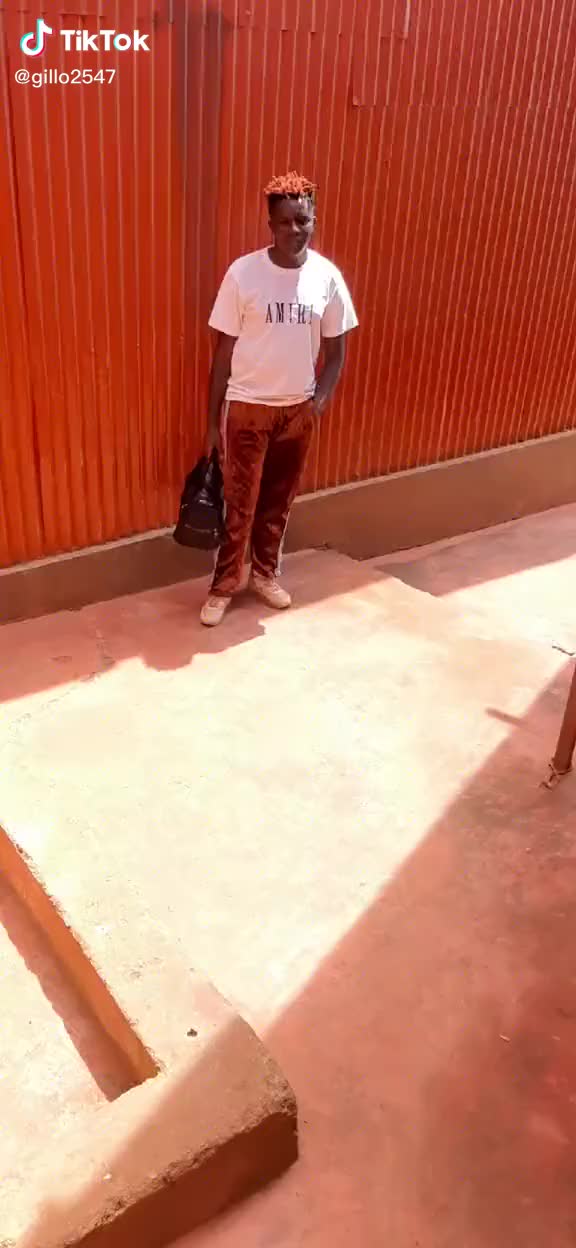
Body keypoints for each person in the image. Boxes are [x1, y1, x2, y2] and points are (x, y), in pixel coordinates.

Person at [201, 171, 358, 627]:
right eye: (285, 222)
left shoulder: (327, 277)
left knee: (278, 502)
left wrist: (318, 402)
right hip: (248, 407)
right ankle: (223, 586)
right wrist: (212, 422)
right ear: (270, 224)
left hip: (297, 411)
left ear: (314, 221)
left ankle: (265, 575)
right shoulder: (243, 274)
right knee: (240, 503)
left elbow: (336, 351)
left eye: (303, 220)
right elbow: (223, 352)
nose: (295, 230)